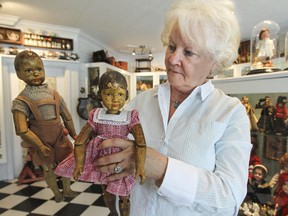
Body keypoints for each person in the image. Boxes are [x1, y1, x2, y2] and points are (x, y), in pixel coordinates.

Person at [93, 0, 252, 215]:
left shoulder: (230, 113)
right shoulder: (141, 102)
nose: (172, 59)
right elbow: (108, 142)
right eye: (171, 46)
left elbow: (230, 199)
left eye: (188, 52)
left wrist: (159, 167)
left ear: (214, 61)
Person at [54, 71, 146, 216]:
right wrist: (79, 164)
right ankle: (112, 212)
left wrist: (140, 166)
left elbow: (141, 142)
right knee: (107, 192)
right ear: (100, 95)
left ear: (127, 95)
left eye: (120, 94)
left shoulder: (130, 116)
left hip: (123, 160)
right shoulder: (96, 115)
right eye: (109, 94)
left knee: (124, 195)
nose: (115, 99)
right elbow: (80, 141)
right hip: (101, 160)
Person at [11, 50, 78, 202]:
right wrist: (39, 146)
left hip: (60, 137)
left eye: (38, 69)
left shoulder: (55, 94)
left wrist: (75, 135)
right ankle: (57, 193)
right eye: (28, 70)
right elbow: (21, 129)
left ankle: (67, 189)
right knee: (47, 169)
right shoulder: (21, 101)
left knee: (66, 163)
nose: (35, 73)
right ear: (19, 74)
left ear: (44, 70)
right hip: (41, 141)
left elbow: (67, 117)